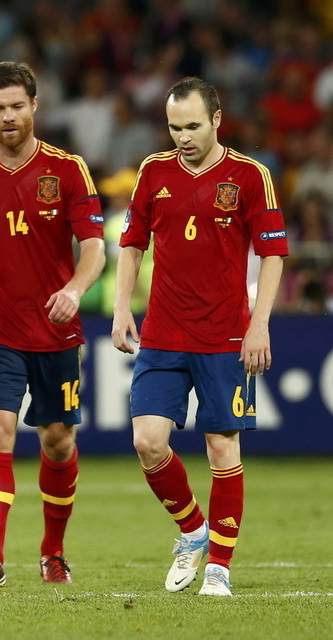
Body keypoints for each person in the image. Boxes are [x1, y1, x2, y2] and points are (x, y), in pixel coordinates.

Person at [112, 77, 287, 597]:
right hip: (163, 333)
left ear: (216, 119)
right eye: (173, 127)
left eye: (192, 126)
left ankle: (219, 570)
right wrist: (123, 308)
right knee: (147, 441)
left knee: (221, 447)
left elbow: (274, 253)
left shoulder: (251, 176)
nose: (182, 137)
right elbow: (131, 244)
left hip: (225, 337)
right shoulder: (153, 171)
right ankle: (192, 529)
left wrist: (259, 324)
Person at [0, 61, 105, 587]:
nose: (9, 117)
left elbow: (95, 248)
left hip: (55, 333)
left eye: (17, 106)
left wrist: (74, 291)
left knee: (57, 440)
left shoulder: (69, 169)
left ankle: (53, 551)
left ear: (35, 106)